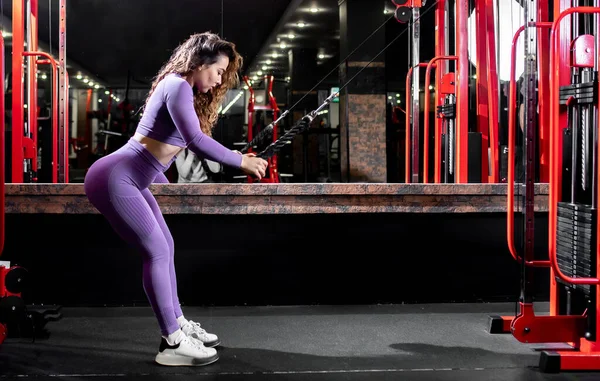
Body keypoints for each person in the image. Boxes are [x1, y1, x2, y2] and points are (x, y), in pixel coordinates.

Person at [83, 32, 268, 367]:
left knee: (165, 246)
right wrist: (241, 160)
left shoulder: (179, 87)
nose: (219, 79)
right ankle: (172, 343)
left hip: (130, 178)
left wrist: (157, 173)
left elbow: (151, 140)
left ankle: (178, 324)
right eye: (218, 70)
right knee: (155, 250)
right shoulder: (177, 84)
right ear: (200, 63)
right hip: (114, 177)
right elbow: (194, 139)